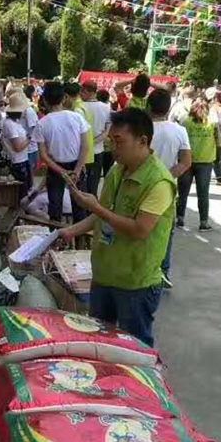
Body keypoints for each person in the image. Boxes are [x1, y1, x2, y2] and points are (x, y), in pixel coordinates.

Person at [60, 108, 176, 347]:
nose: (113, 147)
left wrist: (96, 208)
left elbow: (140, 229)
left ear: (142, 140)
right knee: (99, 342)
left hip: (135, 283)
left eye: (119, 141)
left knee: (134, 349)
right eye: (111, 140)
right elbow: (102, 216)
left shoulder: (159, 182)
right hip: (104, 275)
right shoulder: (117, 170)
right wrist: (70, 231)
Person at [146, 88, 192, 289]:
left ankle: (145, 269)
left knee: (139, 227)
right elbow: (186, 162)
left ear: (148, 106)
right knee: (166, 230)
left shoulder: (141, 129)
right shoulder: (179, 131)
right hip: (167, 188)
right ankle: (163, 271)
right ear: (168, 108)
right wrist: (165, 177)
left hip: (140, 185)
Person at [34, 81, 90, 224]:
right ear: (64, 98)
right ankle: (80, 237)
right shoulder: (77, 117)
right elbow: (85, 147)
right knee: (79, 207)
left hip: (55, 168)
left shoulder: (42, 123)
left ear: (44, 100)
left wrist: (62, 172)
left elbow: (43, 155)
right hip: (77, 165)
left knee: (55, 208)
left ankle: (55, 237)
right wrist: (77, 170)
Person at [176, 99, 221, 232]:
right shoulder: (212, 123)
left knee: (183, 192)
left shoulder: (185, 122)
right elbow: (219, 142)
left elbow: (179, 141)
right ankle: (203, 223)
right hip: (205, 162)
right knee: (203, 194)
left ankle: (180, 219)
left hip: (186, 160)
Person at [81, 80, 111, 196]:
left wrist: (87, 143)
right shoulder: (106, 107)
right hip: (98, 150)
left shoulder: (80, 107)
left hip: (82, 151)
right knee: (94, 184)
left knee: (81, 185)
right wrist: (94, 142)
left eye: (82, 91)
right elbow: (107, 131)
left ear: (85, 91)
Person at [2, 91, 32, 198]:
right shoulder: (10, 124)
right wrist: (29, 138)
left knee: (26, 191)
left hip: (22, 160)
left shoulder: (15, 122)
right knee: (22, 194)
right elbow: (17, 147)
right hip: (17, 162)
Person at [209, 91, 221, 183]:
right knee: (216, 157)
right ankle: (218, 176)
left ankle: (218, 175)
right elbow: (215, 122)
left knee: (219, 156)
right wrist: (220, 132)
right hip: (216, 133)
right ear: (218, 97)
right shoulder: (214, 108)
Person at [22, 84, 39, 170]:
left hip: (29, 147)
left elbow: (34, 129)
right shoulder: (27, 110)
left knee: (30, 170)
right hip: (25, 147)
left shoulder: (28, 111)